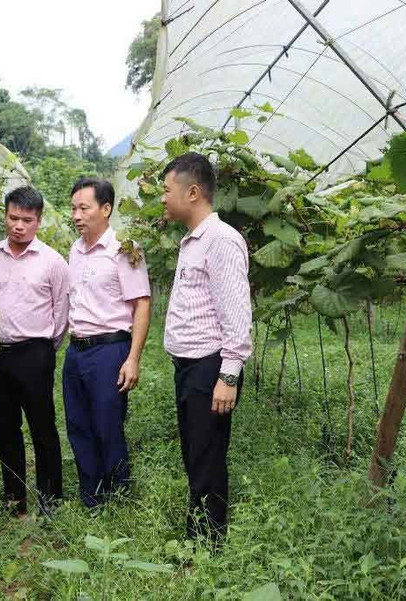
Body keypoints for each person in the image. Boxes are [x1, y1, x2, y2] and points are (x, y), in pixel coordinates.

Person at [160, 152, 253, 544]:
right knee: (195, 453)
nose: (162, 198)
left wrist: (227, 377)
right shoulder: (192, 241)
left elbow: (236, 314)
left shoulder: (221, 241)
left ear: (193, 192)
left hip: (210, 367)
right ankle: (199, 535)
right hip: (190, 366)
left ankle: (207, 544)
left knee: (207, 457)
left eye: (167, 190)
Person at [0, 186, 69, 517]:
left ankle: (50, 499)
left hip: (35, 352)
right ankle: (14, 496)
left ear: (38, 221)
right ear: (5, 216)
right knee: (5, 428)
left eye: (27, 220)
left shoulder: (52, 262)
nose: (18, 226)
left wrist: (45, 349)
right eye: (13, 217)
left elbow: (61, 313)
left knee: (42, 427)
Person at [64, 177, 151, 507]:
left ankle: (120, 495)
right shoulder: (75, 250)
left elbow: (142, 304)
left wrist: (133, 358)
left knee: (107, 424)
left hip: (109, 350)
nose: (76, 215)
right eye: (73, 208)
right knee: (78, 424)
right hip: (77, 350)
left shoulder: (124, 250)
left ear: (105, 209)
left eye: (84, 208)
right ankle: (92, 496)